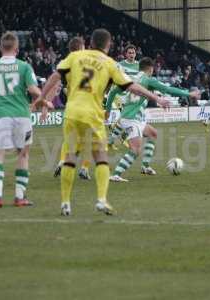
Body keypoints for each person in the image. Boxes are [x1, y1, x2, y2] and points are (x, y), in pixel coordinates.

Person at [32, 29, 168, 216]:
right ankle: (101, 200)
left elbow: (55, 76)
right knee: (101, 156)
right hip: (92, 115)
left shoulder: (76, 56)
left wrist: (40, 97)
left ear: (91, 43)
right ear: (108, 44)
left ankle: (65, 202)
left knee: (71, 156)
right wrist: (157, 98)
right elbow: (132, 87)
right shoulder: (110, 63)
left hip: (71, 113)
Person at [0, 32, 48, 208]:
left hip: (2, 118)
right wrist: (44, 101)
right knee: (23, 155)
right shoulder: (24, 66)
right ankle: (20, 197)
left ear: (0, 48)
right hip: (22, 117)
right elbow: (33, 90)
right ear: (17, 49)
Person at [107, 57, 200, 182]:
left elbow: (113, 92)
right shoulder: (149, 79)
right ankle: (116, 174)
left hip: (133, 117)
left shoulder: (130, 79)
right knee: (135, 150)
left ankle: (145, 167)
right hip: (131, 119)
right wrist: (189, 94)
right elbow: (168, 89)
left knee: (153, 133)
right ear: (150, 69)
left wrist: (107, 110)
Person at [53, 36, 94, 180]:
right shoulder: (89, 62)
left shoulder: (66, 63)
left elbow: (57, 82)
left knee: (69, 138)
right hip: (88, 106)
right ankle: (84, 168)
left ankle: (62, 160)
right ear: (82, 47)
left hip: (71, 106)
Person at [107, 44, 140, 150]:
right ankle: (120, 139)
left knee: (126, 120)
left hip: (132, 96)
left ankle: (115, 139)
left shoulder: (139, 65)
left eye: (133, 53)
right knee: (127, 118)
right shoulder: (120, 65)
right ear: (125, 54)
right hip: (120, 95)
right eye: (129, 53)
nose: (132, 54)